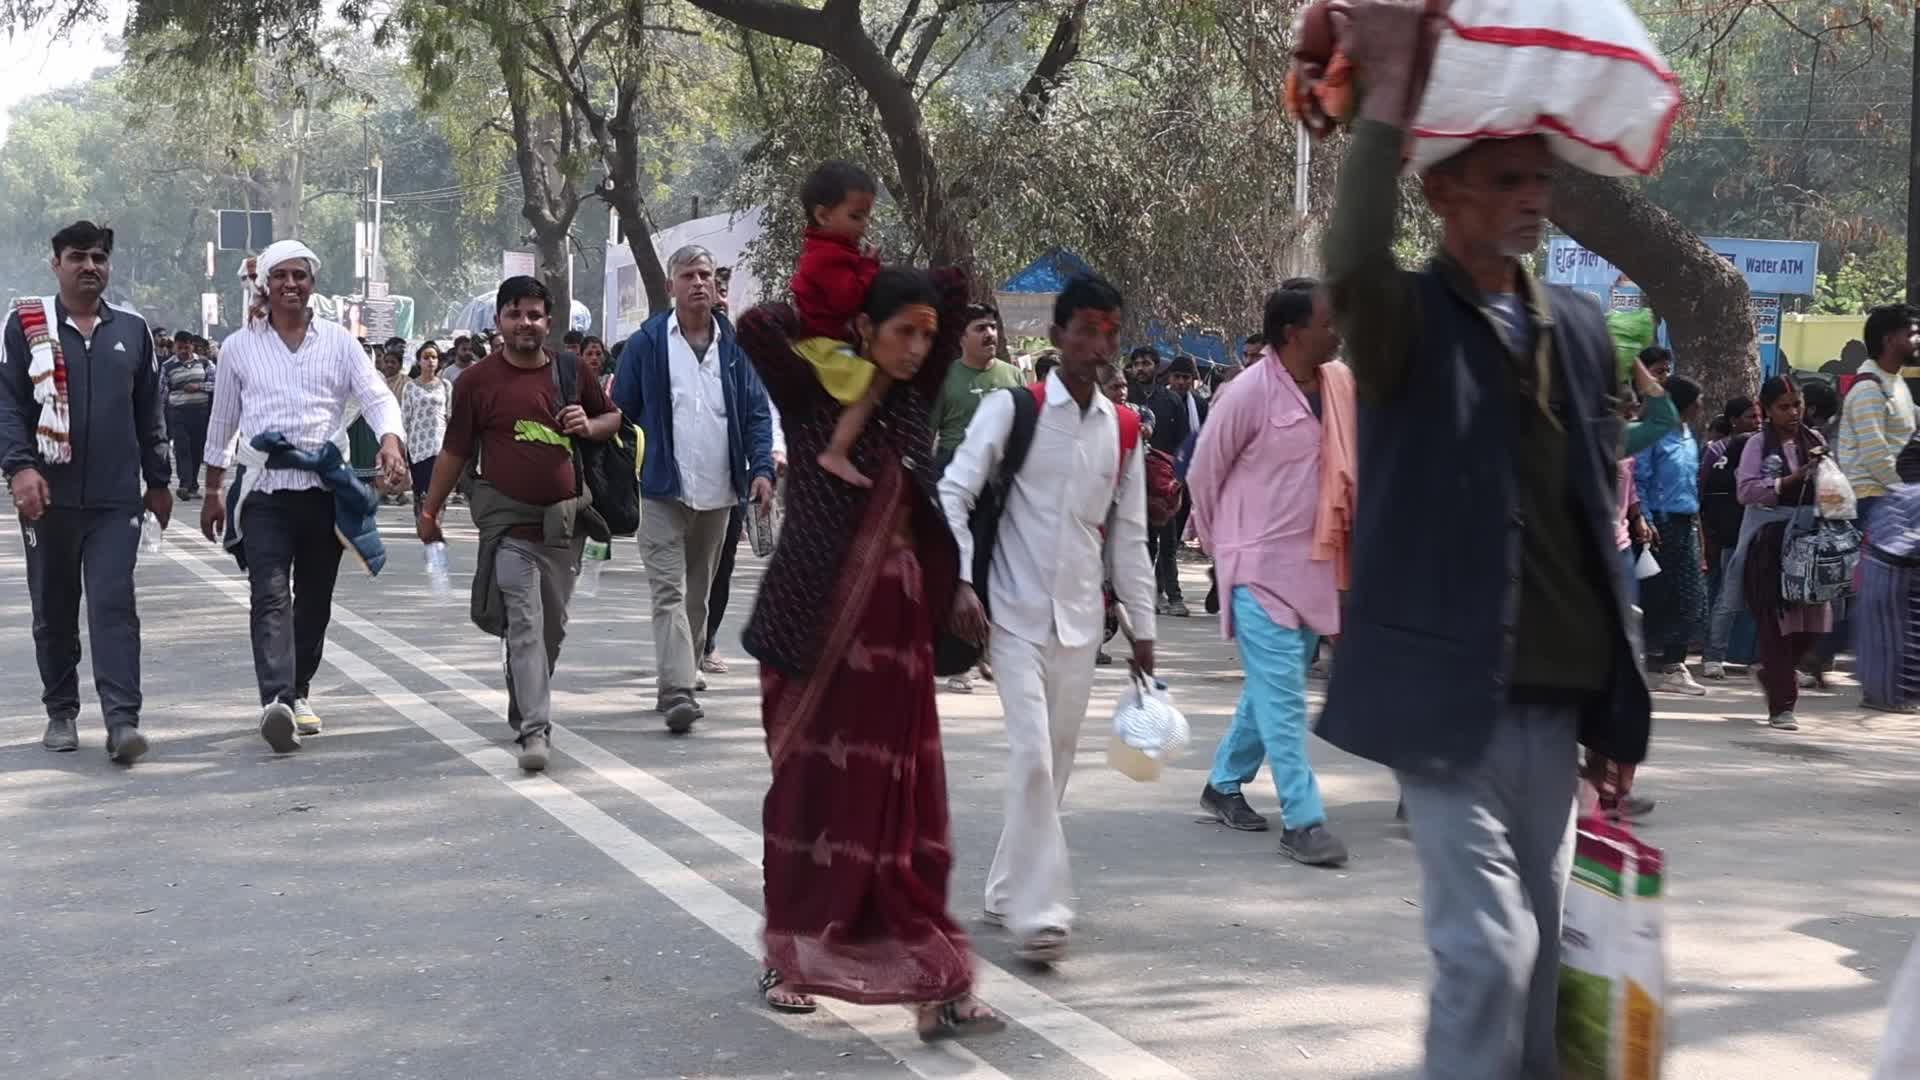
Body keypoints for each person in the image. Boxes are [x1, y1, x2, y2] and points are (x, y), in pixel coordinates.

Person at [1316, 6, 1652, 1075]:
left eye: (1537, 179)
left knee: (1551, 961)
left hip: (1554, 705)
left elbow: (1594, 534)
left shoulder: (1584, 333)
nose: (1532, 199)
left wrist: (1616, 704)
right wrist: (1384, 102)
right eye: (1505, 179)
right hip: (1444, 701)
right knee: (1489, 949)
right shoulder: (1402, 319)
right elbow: (1352, 251)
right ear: (1443, 191)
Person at [732, 266, 1004, 1039]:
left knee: (904, 810)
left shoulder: (915, 405)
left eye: (926, 335)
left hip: (897, 636)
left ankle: (936, 979)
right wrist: (842, 304)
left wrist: (955, 587)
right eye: (902, 332)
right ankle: (793, 958)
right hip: (816, 633)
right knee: (812, 795)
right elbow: (758, 322)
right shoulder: (816, 394)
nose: (920, 347)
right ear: (863, 331)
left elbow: (951, 293)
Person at [940, 273, 1158, 965]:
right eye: (1087, 330)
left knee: (1054, 766)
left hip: (1080, 624)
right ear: (1058, 335)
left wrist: (1145, 631)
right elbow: (952, 493)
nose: (1100, 345)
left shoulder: (1124, 430)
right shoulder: (1014, 409)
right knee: (1033, 756)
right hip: (1010, 613)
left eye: (1111, 331)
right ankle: (1043, 912)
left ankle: (1008, 889)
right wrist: (959, 581)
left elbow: (1127, 536)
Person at [200, 239, 408, 753]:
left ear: (312, 285)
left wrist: (389, 440)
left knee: (314, 601)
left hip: (323, 491)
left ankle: (299, 690)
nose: (291, 285)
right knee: (269, 595)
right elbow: (222, 422)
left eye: (300, 276)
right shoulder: (238, 348)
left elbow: (376, 394)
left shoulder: (339, 343)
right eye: (281, 277)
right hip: (265, 492)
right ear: (265, 286)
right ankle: (276, 700)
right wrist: (212, 490)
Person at [418, 277, 620, 772]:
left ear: (548, 323)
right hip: (508, 525)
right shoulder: (475, 382)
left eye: (534, 314)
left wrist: (587, 425)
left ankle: (524, 696)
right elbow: (455, 451)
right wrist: (430, 509)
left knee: (551, 630)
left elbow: (614, 419)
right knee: (526, 624)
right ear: (499, 323)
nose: (524, 323)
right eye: (514, 314)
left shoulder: (572, 372)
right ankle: (535, 729)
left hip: (566, 526)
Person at [1191, 280, 1352, 866]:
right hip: (1256, 568)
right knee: (1285, 694)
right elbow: (1203, 475)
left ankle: (1223, 784)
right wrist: (1222, 551)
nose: (1338, 331)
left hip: (1316, 568)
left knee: (1272, 686)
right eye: (1328, 322)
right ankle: (1303, 821)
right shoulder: (1247, 394)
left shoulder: (1339, 386)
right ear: (1293, 333)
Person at [0, 219, 169, 764]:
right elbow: (6, 405)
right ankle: (61, 710)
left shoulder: (133, 331)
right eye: (78, 257)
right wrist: (19, 468)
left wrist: (160, 479)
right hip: (46, 499)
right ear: (56, 264)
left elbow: (151, 412)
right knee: (53, 606)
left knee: (113, 605)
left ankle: (123, 721)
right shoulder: (26, 326)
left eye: (98, 257)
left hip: (116, 500)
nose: (89, 266)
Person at [610, 244, 776, 735]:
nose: (698, 283)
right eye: (688, 276)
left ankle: (687, 664)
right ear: (670, 286)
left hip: (720, 492)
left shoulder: (738, 348)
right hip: (660, 491)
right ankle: (677, 689)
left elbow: (756, 414)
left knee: (697, 596)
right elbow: (623, 413)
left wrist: (761, 469)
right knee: (668, 591)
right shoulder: (646, 344)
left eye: (705, 274)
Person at [1727, 375, 1833, 731]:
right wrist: (1789, 481)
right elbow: (1746, 492)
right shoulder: (1758, 444)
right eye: (1784, 407)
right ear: (1767, 410)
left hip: (1809, 542)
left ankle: (1774, 674)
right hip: (1769, 542)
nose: (1792, 413)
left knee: (1812, 625)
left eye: (1797, 405)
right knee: (1776, 624)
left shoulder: (1814, 439)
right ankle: (1783, 705)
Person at [789, 160, 883, 488]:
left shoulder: (837, 251)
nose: (864, 225)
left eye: (866, 216)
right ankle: (837, 451)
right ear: (823, 215)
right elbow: (848, 300)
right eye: (856, 216)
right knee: (871, 386)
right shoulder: (826, 257)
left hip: (834, 342)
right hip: (822, 348)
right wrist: (870, 268)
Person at [1635, 370, 1708, 695]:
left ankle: (1675, 663)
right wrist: (1646, 519)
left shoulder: (1690, 436)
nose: (1701, 408)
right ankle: (1651, 661)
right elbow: (1641, 479)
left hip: (1686, 522)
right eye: (1697, 402)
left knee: (1690, 596)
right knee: (1657, 594)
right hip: (1660, 524)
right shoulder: (1654, 435)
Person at [1854, 439, 1920, 714]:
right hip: (1902, 573)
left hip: (1876, 567)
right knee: (1905, 638)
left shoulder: (1895, 492)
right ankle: (1897, 697)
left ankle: (1875, 693)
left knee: (1877, 637)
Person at [1838, 304, 1919, 517]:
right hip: (1872, 500)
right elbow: (1876, 456)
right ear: (1889, 340)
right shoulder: (1869, 389)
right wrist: (1906, 494)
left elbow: (1912, 416)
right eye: (1911, 334)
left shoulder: (1892, 380)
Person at [1702, 396, 1762, 679]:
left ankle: (1756, 657)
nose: (1757, 422)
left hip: (1762, 534)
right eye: (1751, 416)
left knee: (1761, 599)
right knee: (1728, 596)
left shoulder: (1767, 445)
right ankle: (1714, 655)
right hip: (1735, 535)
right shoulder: (1731, 448)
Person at [1146, 356, 1208, 616]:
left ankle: (1161, 588)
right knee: (1158, 539)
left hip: (1186, 480)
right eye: (1177, 377)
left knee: (1172, 538)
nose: (1181, 382)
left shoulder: (1201, 406)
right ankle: (1166, 594)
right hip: (1157, 479)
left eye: (1186, 378)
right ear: (1169, 378)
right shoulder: (1158, 402)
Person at [163, 329, 216, 501]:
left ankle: (193, 484)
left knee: (196, 449)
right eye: (180, 348)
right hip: (178, 413)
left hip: (200, 412)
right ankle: (184, 484)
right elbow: (161, 391)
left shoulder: (205, 364)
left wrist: (199, 387)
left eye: (186, 348)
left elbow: (217, 384)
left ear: (192, 346)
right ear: (174, 349)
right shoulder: (167, 366)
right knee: (182, 448)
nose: (184, 352)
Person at [402, 341, 452, 519]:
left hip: (439, 444)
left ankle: (436, 521)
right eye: (426, 357)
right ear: (418, 361)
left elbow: (449, 416)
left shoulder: (445, 386)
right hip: (416, 446)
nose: (430, 361)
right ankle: (421, 521)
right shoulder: (410, 387)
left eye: (434, 357)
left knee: (438, 487)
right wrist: (402, 447)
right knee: (421, 487)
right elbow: (405, 418)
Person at [1124, 346, 1160, 410]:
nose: (1140, 368)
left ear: (1156, 367)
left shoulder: (1171, 400)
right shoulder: (1124, 395)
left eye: (1146, 363)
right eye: (1136, 364)